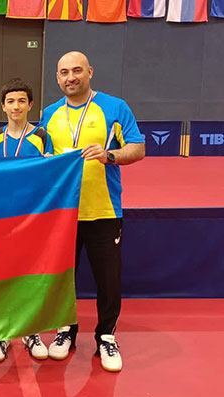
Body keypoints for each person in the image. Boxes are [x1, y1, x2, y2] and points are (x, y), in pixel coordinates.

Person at [39, 51, 145, 372]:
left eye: (77, 70)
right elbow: (39, 155)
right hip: (62, 214)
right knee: (62, 278)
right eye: (64, 72)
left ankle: (106, 337)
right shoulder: (49, 114)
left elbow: (137, 148)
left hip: (103, 210)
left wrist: (108, 155)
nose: (70, 77)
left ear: (90, 72)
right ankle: (65, 331)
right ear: (57, 78)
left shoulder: (114, 107)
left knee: (108, 280)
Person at [0, 78, 53, 363]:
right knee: (3, 275)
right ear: (3, 106)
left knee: (29, 275)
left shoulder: (41, 136)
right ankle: (2, 332)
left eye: (22, 101)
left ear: (30, 105)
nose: (16, 106)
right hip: (0, 219)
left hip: (32, 217)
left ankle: (30, 331)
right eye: (11, 101)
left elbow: (52, 171)